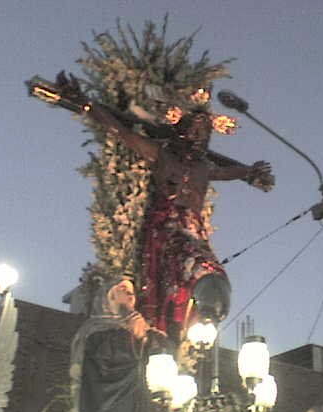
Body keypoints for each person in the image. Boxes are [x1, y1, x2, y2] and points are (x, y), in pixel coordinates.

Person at [53, 72, 274, 340]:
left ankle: (194, 321)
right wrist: (86, 105)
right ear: (182, 129)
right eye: (194, 129)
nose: (199, 137)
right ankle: (169, 330)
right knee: (179, 277)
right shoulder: (163, 155)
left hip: (194, 230)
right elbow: (121, 131)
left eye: (204, 133)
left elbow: (229, 172)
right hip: (166, 228)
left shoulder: (204, 167)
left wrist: (249, 171)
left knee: (195, 279)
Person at [70, 278, 171, 412]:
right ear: (109, 296)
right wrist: (131, 336)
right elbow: (103, 366)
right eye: (123, 289)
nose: (130, 294)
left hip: (140, 406)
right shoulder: (95, 329)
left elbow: (161, 363)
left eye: (132, 292)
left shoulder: (143, 329)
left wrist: (147, 338)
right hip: (108, 406)